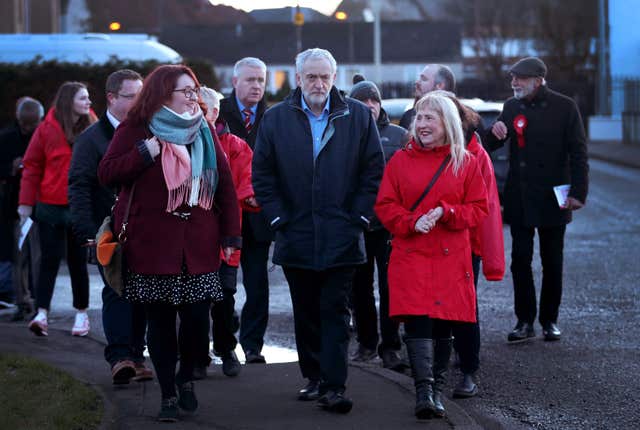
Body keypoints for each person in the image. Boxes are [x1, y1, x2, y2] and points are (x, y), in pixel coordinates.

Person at [97, 64, 241, 422]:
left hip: (198, 245)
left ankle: (187, 377)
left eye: (195, 91)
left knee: (196, 322)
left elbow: (224, 186)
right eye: (186, 91)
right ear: (163, 93)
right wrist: (144, 154)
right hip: (151, 246)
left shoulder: (203, 130)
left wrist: (230, 235)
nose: (194, 97)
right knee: (159, 324)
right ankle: (167, 394)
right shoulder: (136, 129)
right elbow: (107, 172)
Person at [252, 48, 384, 414]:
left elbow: (373, 170)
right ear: (298, 79)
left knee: (335, 311)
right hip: (295, 233)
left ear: (334, 77)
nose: (319, 83)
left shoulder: (356, 115)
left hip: (342, 233)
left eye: (325, 76)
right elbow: (262, 175)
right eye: (311, 76)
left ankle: (334, 385)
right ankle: (313, 377)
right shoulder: (276, 118)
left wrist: (358, 218)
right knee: (306, 311)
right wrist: (278, 219)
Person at [375, 92, 488, 419]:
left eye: (430, 119)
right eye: (419, 119)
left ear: (447, 123)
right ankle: (424, 391)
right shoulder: (399, 161)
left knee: (442, 325)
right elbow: (385, 206)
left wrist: (446, 212)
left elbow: (479, 209)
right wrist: (412, 221)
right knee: (418, 320)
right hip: (411, 253)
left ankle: (436, 389)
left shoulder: (464, 162)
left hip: (449, 257)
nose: (422, 125)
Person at [484, 57, 589, 342]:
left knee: (552, 260)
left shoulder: (565, 107)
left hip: (554, 197)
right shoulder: (511, 107)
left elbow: (579, 152)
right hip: (520, 196)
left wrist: (579, 193)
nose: (514, 83)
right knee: (520, 259)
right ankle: (524, 321)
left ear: (539, 79)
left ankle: (549, 320)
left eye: (521, 78)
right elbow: (491, 143)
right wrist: (491, 134)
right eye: (513, 79)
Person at [68, 69, 153, 385]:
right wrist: (87, 230)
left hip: (144, 229)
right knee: (117, 290)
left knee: (142, 293)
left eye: (141, 96)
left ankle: (137, 355)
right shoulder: (91, 139)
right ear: (112, 97)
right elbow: (78, 185)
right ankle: (120, 357)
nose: (138, 103)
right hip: (106, 229)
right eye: (132, 97)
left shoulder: (148, 131)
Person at [435, 90, 505, 398]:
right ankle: (433, 373)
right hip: (429, 243)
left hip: (464, 244)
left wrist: (486, 255)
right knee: (432, 308)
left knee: (463, 308)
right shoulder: (421, 150)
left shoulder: (475, 155)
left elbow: (485, 211)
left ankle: (467, 369)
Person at [19, 82, 97, 337]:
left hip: (80, 205)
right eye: (83, 98)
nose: (88, 102)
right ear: (68, 101)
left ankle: (82, 314)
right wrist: (25, 204)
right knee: (49, 260)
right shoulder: (46, 129)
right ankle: (41, 313)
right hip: (50, 206)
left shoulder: (93, 126)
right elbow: (32, 166)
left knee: (78, 262)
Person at [196, 86, 257, 378]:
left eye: (203, 110)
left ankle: (225, 346)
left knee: (224, 296)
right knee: (194, 299)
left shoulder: (236, 146)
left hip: (226, 237)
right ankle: (195, 354)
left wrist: (252, 196)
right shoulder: (182, 143)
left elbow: (246, 180)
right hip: (193, 236)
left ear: (216, 112)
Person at [347, 78, 408, 371]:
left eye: (375, 100)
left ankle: (391, 346)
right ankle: (367, 343)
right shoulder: (345, 132)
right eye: (364, 100)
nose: (370, 105)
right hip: (357, 223)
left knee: (390, 288)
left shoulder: (399, 136)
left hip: (388, 226)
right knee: (359, 289)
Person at [219, 57, 272, 363]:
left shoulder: (272, 116)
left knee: (257, 283)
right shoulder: (217, 113)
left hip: (258, 214)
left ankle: (252, 345)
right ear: (235, 82)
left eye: (261, 81)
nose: (256, 86)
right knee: (222, 283)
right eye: (250, 80)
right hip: (225, 215)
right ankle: (225, 337)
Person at [0, 97, 43, 314]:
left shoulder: (42, 135)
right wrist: (11, 167)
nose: (28, 129)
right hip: (15, 204)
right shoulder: (7, 138)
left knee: (34, 254)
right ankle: (21, 299)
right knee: (20, 254)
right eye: (25, 124)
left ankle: (33, 298)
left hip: (38, 203)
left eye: (32, 124)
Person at [399, 64, 456, 130]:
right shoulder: (409, 117)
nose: (417, 82)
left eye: (424, 79)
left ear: (439, 86)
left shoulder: (463, 118)